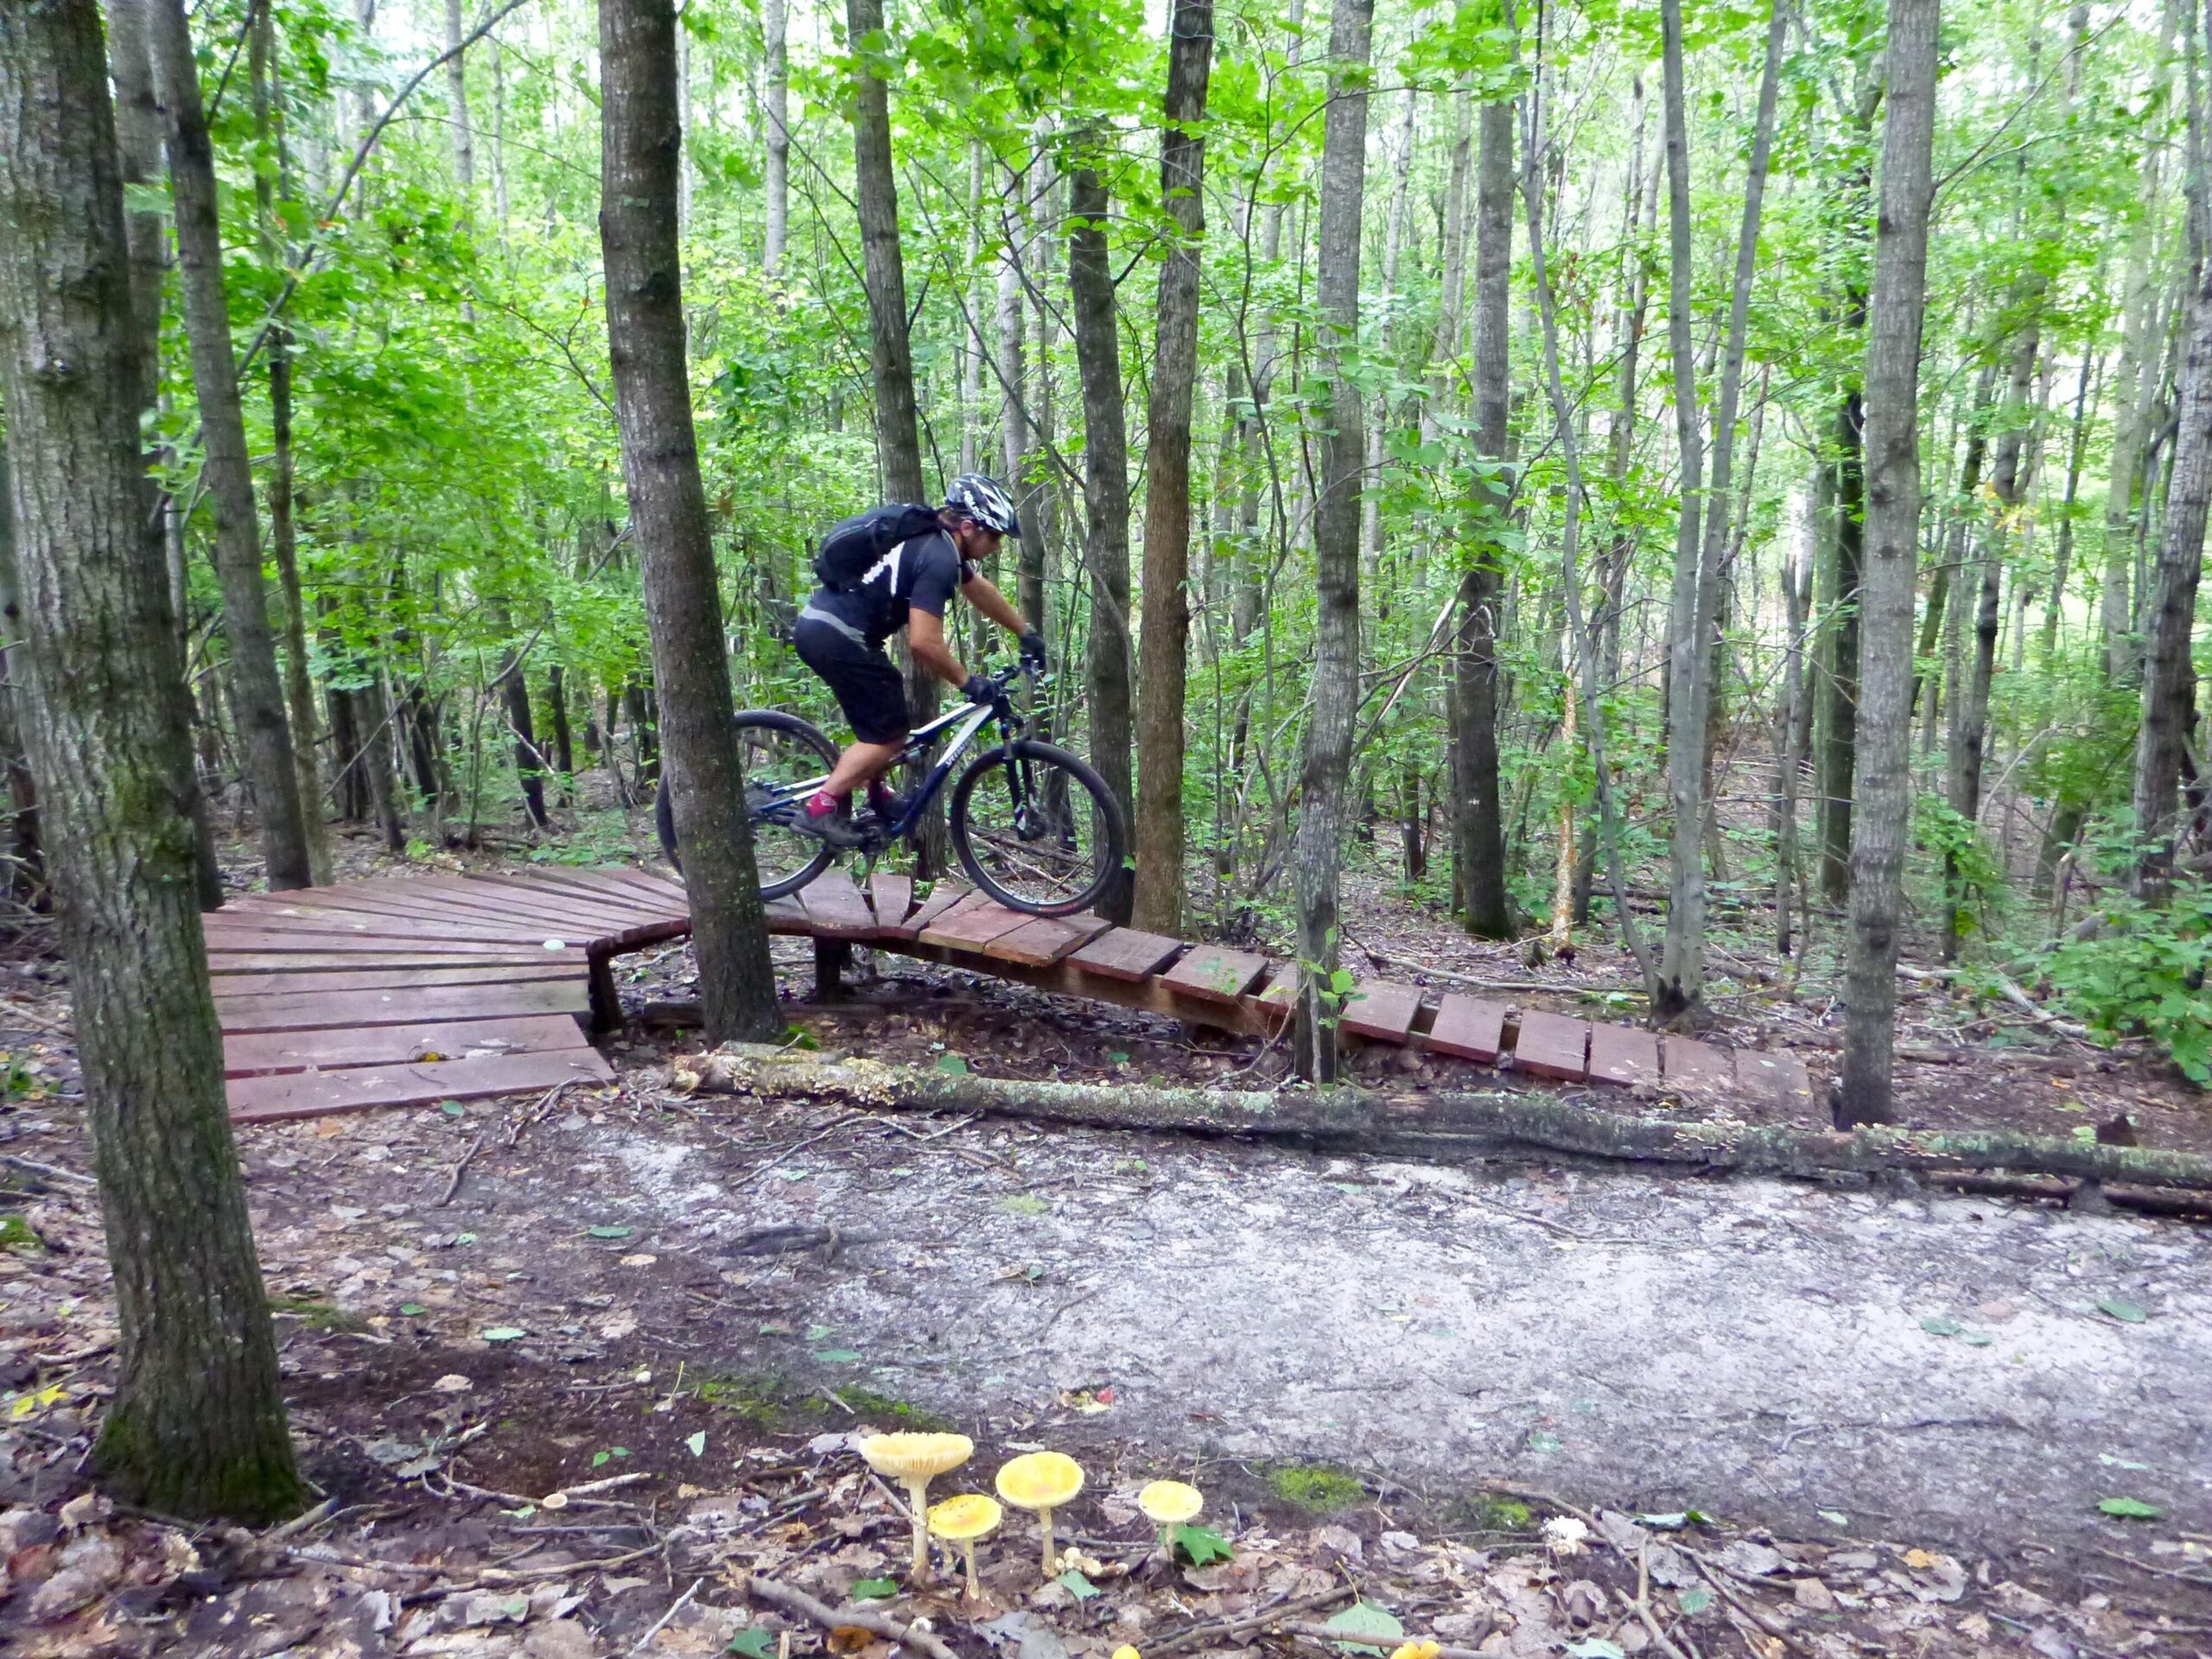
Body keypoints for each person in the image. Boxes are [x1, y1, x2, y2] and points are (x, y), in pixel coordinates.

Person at [792, 473, 1046, 847]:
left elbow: (978, 589)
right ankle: (820, 808)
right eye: (993, 536)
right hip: (836, 636)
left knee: (886, 715)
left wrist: (1025, 631)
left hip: (831, 630)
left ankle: (876, 795)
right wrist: (967, 681)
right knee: (890, 735)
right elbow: (924, 643)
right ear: (968, 526)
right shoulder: (938, 556)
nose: (997, 545)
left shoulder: (936, 542)